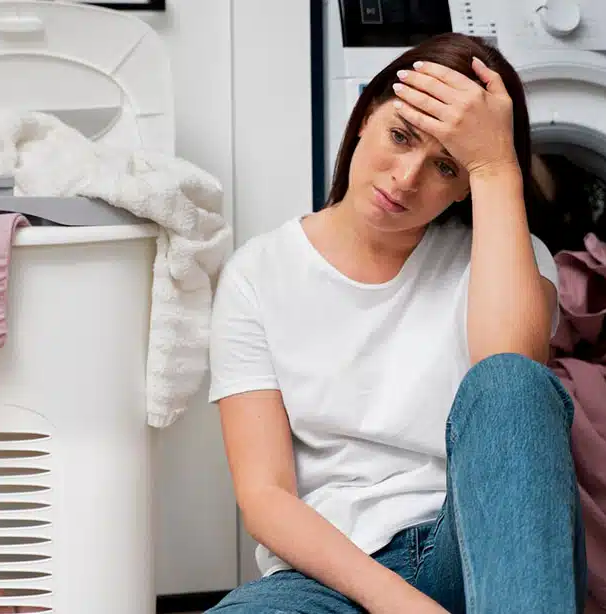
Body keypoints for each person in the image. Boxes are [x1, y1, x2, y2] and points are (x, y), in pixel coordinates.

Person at [205, 32, 586, 614]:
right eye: (401, 136)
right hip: (333, 574)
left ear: (465, 187)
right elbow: (264, 496)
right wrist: (400, 604)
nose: (406, 178)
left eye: (446, 166)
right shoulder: (257, 273)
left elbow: (511, 378)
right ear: (363, 117)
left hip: (484, 552)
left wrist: (494, 165)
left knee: (510, 381)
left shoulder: (504, 254)